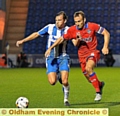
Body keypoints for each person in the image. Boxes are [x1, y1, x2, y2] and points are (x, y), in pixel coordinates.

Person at [45, 11, 110, 101]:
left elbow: (106, 33)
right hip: (82, 56)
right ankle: (99, 84)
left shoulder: (92, 26)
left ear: (84, 20)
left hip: (93, 52)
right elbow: (61, 39)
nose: (78, 24)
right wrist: (50, 48)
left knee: (89, 68)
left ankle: (98, 92)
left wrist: (105, 46)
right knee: (89, 78)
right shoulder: (72, 30)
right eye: (76, 22)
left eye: (79, 21)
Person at [16, 11, 70, 106]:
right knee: (52, 82)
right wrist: (23, 40)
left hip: (63, 57)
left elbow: (61, 40)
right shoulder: (50, 27)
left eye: (59, 20)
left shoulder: (68, 30)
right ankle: (58, 76)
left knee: (65, 81)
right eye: (56, 20)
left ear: (65, 20)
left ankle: (66, 99)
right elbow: (36, 34)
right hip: (51, 58)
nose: (57, 22)